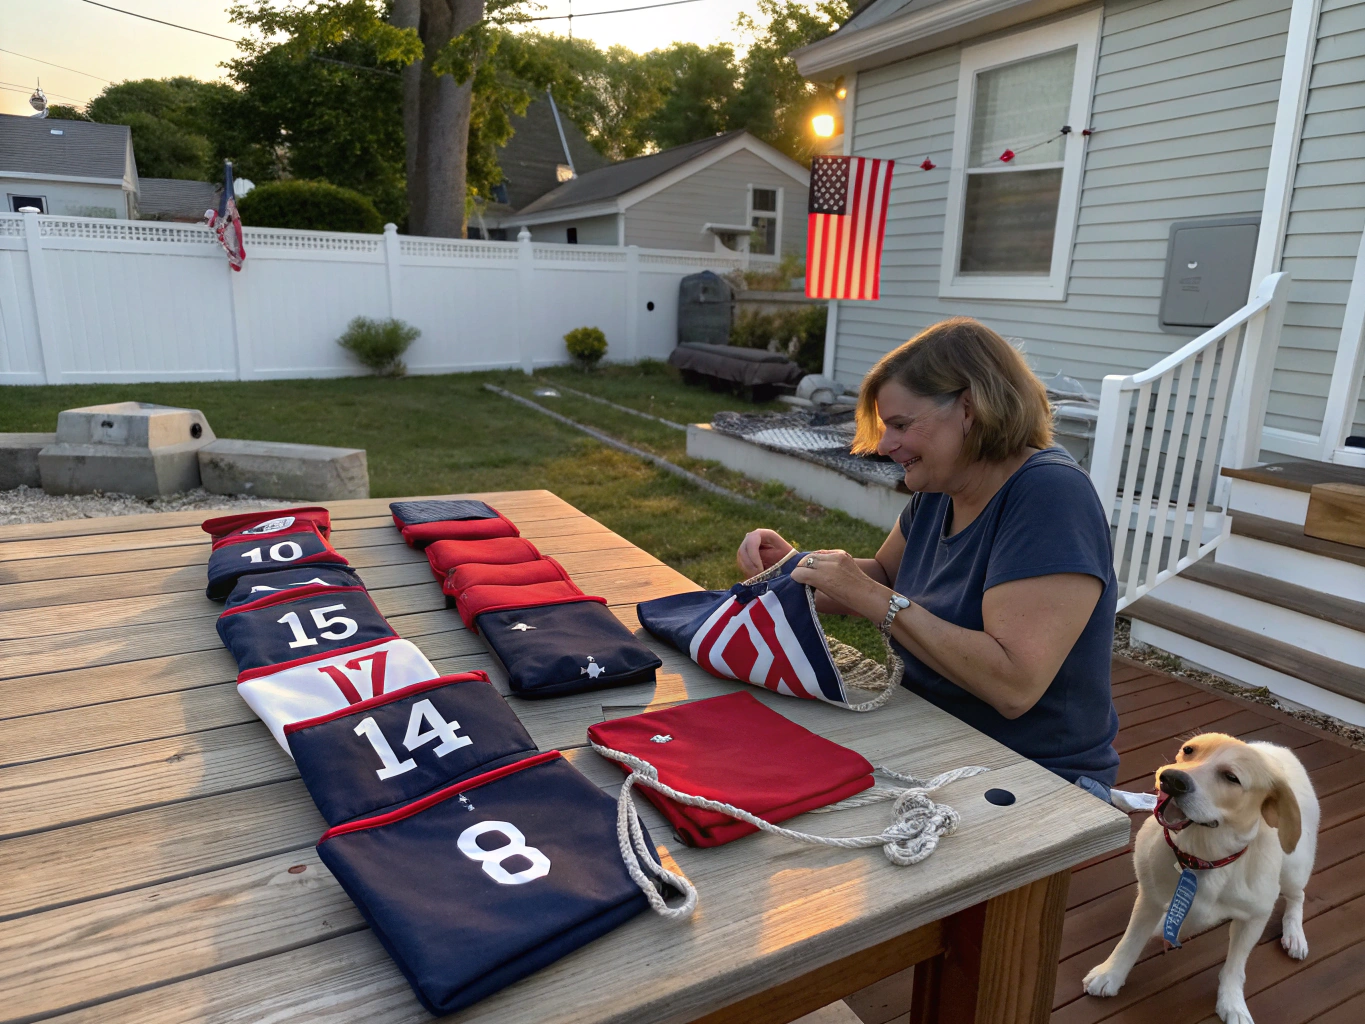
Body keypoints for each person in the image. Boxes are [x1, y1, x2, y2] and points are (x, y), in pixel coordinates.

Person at [737, 317, 1120, 791]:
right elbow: (883, 575)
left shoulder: (1050, 494)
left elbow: (1014, 685)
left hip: (1032, 772)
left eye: (900, 425)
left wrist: (868, 595)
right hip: (932, 727)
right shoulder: (942, 485)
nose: (884, 445)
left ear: (970, 408)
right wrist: (794, 565)